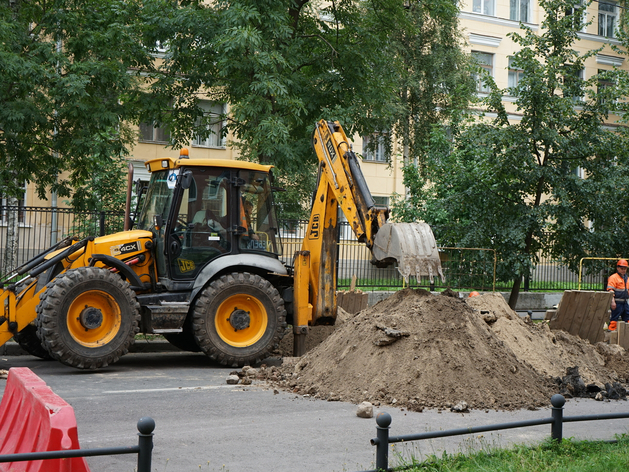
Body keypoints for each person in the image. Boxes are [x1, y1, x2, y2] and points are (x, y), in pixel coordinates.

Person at [607, 259, 629, 331]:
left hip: (625, 302)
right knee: (614, 319)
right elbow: (610, 291)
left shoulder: (626, 278)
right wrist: (612, 302)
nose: (623, 270)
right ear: (618, 268)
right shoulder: (613, 278)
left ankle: (625, 334)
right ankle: (610, 333)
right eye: (622, 268)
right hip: (617, 302)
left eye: (625, 268)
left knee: (627, 318)